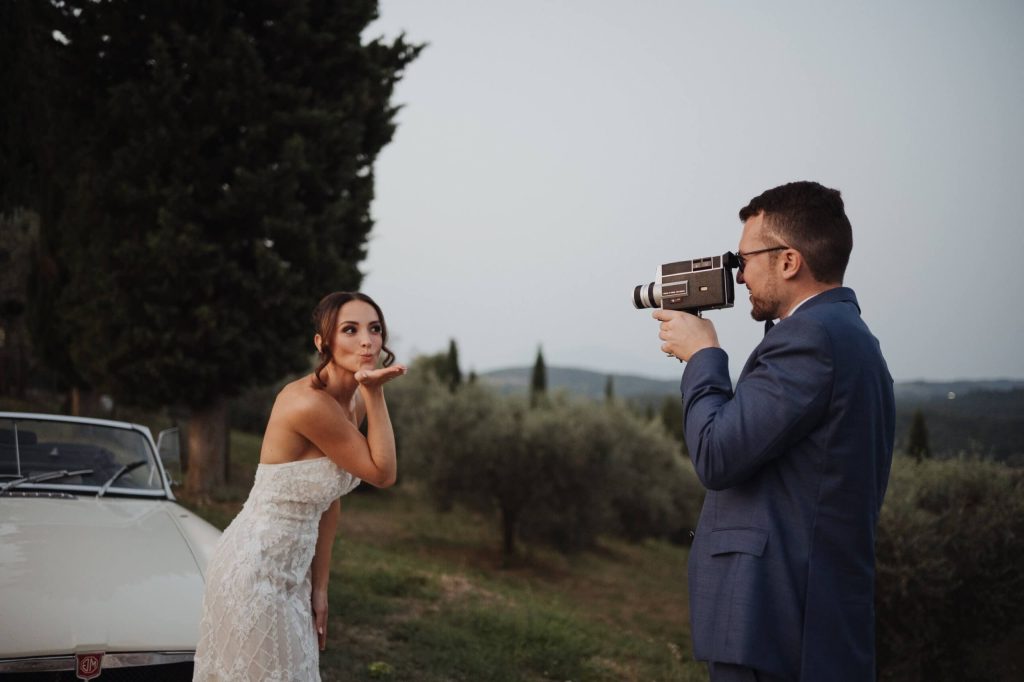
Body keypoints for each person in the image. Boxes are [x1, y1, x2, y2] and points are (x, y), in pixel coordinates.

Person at [653, 181, 895, 682]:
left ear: (788, 261)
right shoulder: (845, 334)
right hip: (803, 621)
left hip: (775, 624)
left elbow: (717, 454)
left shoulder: (811, 339)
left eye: (744, 259)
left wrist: (702, 356)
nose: (738, 274)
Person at [193, 291, 407, 682]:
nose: (367, 341)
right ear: (322, 342)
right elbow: (383, 474)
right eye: (350, 330)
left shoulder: (352, 403)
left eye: (375, 329)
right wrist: (375, 391)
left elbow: (329, 498)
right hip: (254, 571)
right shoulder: (309, 404)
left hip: (294, 577)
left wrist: (319, 587)